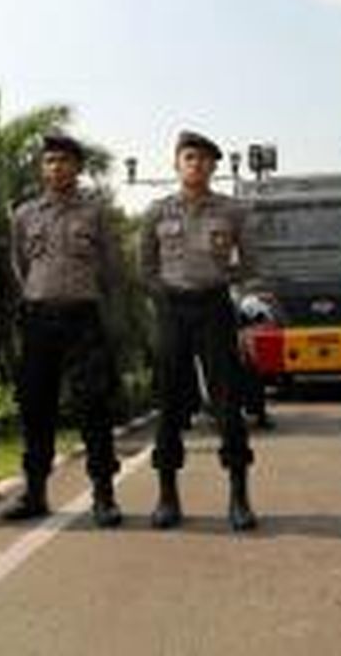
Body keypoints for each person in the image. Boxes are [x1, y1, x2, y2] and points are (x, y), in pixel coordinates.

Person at [1, 132, 124, 527]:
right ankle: (35, 492)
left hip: (82, 319)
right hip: (38, 320)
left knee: (93, 407)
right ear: (42, 167)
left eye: (64, 161)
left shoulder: (95, 213)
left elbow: (111, 268)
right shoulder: (24, 215)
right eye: (50, 161)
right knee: (36, 408)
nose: (56, 167)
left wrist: (94, 306)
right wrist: (39, 295)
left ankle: (103, 495)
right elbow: (20, 265)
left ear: (78, 168)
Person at [139, 130, 257, 531]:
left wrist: (222, 278)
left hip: (214, 308)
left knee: (228, 402)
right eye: (189, 157)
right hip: (172, 310)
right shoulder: (156, 212)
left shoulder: (232, 211)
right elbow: (146, 268)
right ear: (176, 164)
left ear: (214, 167)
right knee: (169, 402)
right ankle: (167, 496)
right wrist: (164, 297)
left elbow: (252, 262)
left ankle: (239, 497)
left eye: (205, 159)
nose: (197, 165)